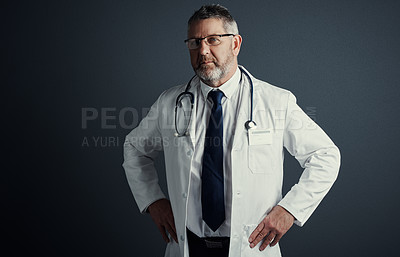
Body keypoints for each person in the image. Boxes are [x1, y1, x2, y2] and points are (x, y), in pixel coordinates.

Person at [123, 4, 340, 257]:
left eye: (213, 40)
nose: (203, 50)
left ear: (235, 44)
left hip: (250, 247)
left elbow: (326, 156)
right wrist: (153, 200)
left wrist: (290, 210)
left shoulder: (275, 102)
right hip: (187, 246)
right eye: (194, 42)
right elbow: (135, 148)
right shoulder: (169, 102)